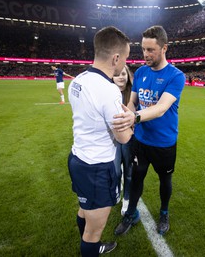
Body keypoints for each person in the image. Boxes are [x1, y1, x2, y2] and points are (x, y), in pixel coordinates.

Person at [112, 25, 186, 236]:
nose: (145, 54)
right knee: (136, 179)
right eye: (143, 49)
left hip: (164, 142)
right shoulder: (142, 72)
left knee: (165, 180)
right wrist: (130, 114)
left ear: (164, 48)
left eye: (151, 50)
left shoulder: (176, 76)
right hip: (141, 140)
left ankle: (164, 213)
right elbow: (134, 102)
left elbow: (161, 108)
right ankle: (130, 214)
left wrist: (134, 117)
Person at [67, 26, 133, 257]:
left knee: (84, 210)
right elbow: (123, 137)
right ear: (115, 58)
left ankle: (90, 246)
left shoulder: (79, 80)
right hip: (96, 167)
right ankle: (91, 246)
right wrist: (131, 125)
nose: (125, 62)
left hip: (78, 158)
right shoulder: (108, 90)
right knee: (94, 231)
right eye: (125, 58)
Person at [113, 65, 134, 216]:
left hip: (129, 140)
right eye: (117, 74)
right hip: (113, 140)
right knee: (115, 170)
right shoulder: (108, 94)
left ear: (128, 76)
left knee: (128, 171)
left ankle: (126, 199)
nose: (121, 77)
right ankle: (117, 190)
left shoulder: (132, 94)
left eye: (123, 74)